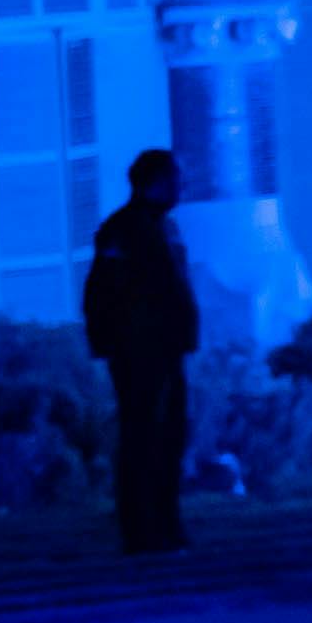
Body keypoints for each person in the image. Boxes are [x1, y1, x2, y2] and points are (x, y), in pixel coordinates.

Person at [82, 144, 201, 554]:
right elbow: (100, 293)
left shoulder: (165, 228)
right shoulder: (122, 230)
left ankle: (166, 525)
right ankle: (141, 530)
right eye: (172, 180)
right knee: (142, 439)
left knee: (169, 439)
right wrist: (110, 344)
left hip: (168, 350)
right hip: (137, 353)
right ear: (152, 183)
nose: (179, 188)